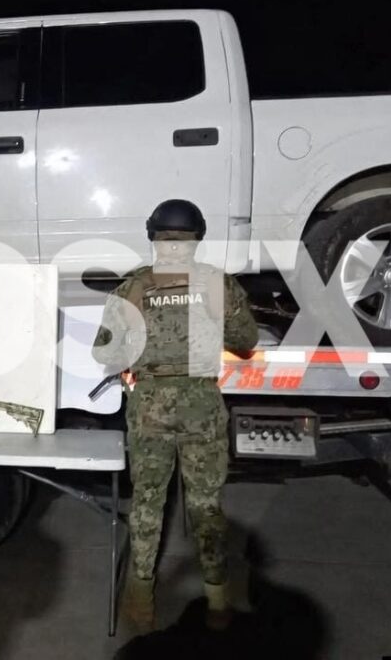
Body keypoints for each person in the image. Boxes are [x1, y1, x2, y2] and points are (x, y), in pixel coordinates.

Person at [92, 199, 258, 633]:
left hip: (149, 404)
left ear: (153, 236)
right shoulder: (218, 284)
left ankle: (140, 601)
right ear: (197, 237)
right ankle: (218, 603)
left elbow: (104, 353)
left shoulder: (133, 287)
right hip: (202, 403)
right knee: (206, 504)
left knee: (148, 501)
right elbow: (246, 339)